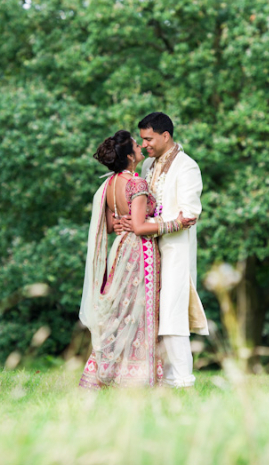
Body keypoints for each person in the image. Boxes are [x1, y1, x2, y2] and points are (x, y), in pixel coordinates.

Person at [79, 130, 194, 388]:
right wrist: (175, 223)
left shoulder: (110, 184)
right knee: (140, 311)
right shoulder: (136, 183)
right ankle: (138, 376)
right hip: (140, 252)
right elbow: (141, 228)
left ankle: (109, 369)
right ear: (130, 156)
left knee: (120, 311)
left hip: (120, 249)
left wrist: (123, 222)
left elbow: (111, 226)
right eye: (136, 145)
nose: (141, 147)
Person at [118, 112, 209, 388]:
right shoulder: (147, 165)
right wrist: (128, 222)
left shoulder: (187, 166)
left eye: (148, 139)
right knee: (151, 312)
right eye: (142, 139)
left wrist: (146, 226)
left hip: (175, 250)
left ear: (165, 136)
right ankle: (158, 376)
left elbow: (189, 214)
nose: (144, 144)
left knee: (172, 311)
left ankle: (181, 378)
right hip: (146, 252)